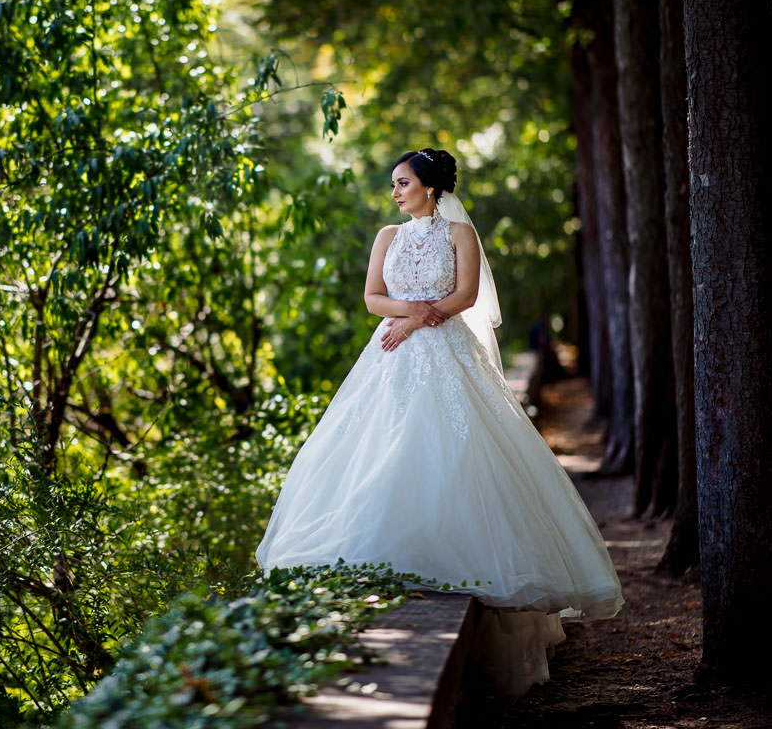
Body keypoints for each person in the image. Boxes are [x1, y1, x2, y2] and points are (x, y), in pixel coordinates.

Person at [254, 148, 623, 695]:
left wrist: (421, 319)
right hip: (390, 354)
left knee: (456, 450)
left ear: (430, 187)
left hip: (448, 351)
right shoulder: (387, 236)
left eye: (403, 183)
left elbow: (466, 295)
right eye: (394, 184)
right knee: (378, 448)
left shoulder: (459, 235)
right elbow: (372, 298)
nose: (395, 192)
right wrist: (408, 315)